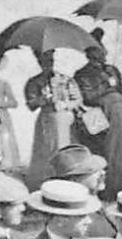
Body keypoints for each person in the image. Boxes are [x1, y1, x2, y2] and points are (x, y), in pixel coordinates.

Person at [73, 43, 122, 199]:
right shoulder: (83, 74)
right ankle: (112, 188)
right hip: (106, 114)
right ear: (91, 54)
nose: (105, 53)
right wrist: (106, 87)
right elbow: (87, 97)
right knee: (112, 148)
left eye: (104, 50)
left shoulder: (112, 70)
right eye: (100, 51)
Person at [23, 50, 83, 187]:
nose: (47, 65)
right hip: (47, 120)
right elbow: (31, 104)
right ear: (39, 63)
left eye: (50, 61)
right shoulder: (34, 82)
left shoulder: (65, 79)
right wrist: (43, 99)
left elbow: (77, 99)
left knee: (65, 150)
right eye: (43, 62)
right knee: (46, 151)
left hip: (65, 121)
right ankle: (45, 182)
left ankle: (64, 179)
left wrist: (66, 105)